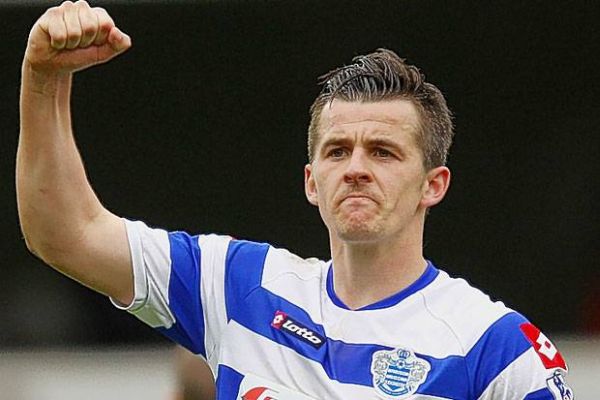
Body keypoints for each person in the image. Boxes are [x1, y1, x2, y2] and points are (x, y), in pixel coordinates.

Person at [17, 1, 574, 399]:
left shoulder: (496, 347)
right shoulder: (239, 286)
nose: (355, 168)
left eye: (383, 152)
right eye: (337, 151)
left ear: (434, 184)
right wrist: (44, 81)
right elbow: (66, 233)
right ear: (311, 181)